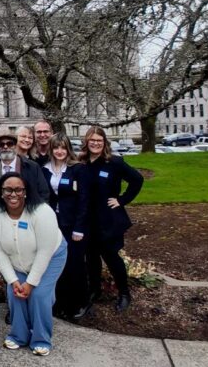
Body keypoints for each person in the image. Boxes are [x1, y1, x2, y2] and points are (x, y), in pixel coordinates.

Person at [0, 172, 67, 357]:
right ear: (0, 192)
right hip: (16, 261)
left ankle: (41, 339)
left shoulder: (42, 211)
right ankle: (19, 336)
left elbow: (44, 252)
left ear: (26, 191)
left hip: (51, 256)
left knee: (38, 294)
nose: (13, 194)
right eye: (8, 190)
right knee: (15, 295)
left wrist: (30, 283)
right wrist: (14, 281)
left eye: (18, 190)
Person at [81, 126, 143, 312]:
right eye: (92, 140)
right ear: (87, 142)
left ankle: (124, 293)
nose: (95, 143)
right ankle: (94, 290)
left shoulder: (114, 163)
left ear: (104, 143)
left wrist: (122, 200)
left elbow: (137, 180)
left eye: (99, 141)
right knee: (91, 258)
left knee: (111, 257)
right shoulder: (81, 163)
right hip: (88, 220)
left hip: (108, 219)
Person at [45, 133, 91, 320]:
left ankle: (80, 303)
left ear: (68, 149)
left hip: (73, 225)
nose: (60, 151)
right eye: (56, 147)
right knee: (58, 264)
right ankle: (61, 303)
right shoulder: (45, 169)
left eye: (63, 147)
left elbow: (84, 200)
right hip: (54, 224)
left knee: (75, 264)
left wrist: (79, 228)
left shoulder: (77, 169)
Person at [0, 133, 50, 201]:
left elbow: (44, 192)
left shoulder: (32, 167)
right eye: (1, 144)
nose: (5, 147)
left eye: (10, 144)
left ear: (15, 146)